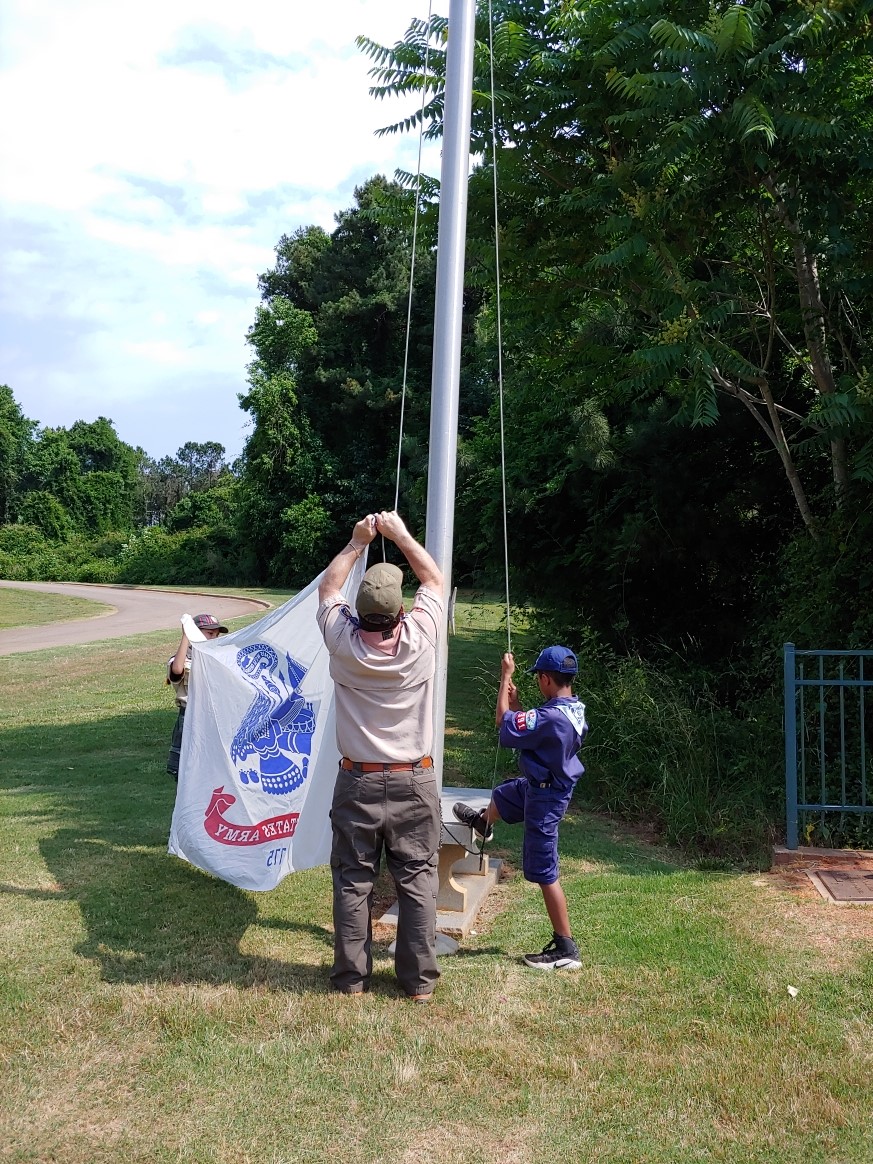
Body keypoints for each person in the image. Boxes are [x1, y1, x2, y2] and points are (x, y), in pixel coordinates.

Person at [317, 511, 444, 1002]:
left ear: (361, 612)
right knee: (417, 881)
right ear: (400, 613)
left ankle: (351, 982)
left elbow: (329, 592)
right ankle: (417, 984)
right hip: (415, 780)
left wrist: (356, 542)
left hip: (358, 781)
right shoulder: (421, 637)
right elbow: (433, 578)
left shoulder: (342, 641)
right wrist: (401, 535)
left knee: (354, 881)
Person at [453, 646, 588, 970]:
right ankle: (485, 823)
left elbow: (503, 722)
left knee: (544, 872)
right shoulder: (573, 709)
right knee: (502, 796)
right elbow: (537, 731)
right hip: (539, 787)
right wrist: (518, 707)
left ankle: (566, 948)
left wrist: (506, 676)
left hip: (546, 798)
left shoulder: (552, 716)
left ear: (544, 679)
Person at [166, 612, 228, 779]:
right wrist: (186, 635)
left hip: (213, 717)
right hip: (189, 717)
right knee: (186, 770)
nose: (213, 638)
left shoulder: (217, 658)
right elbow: (177, 670)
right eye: (209, 633)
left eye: (216, 635)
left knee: (211, 770)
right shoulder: (183, 659)